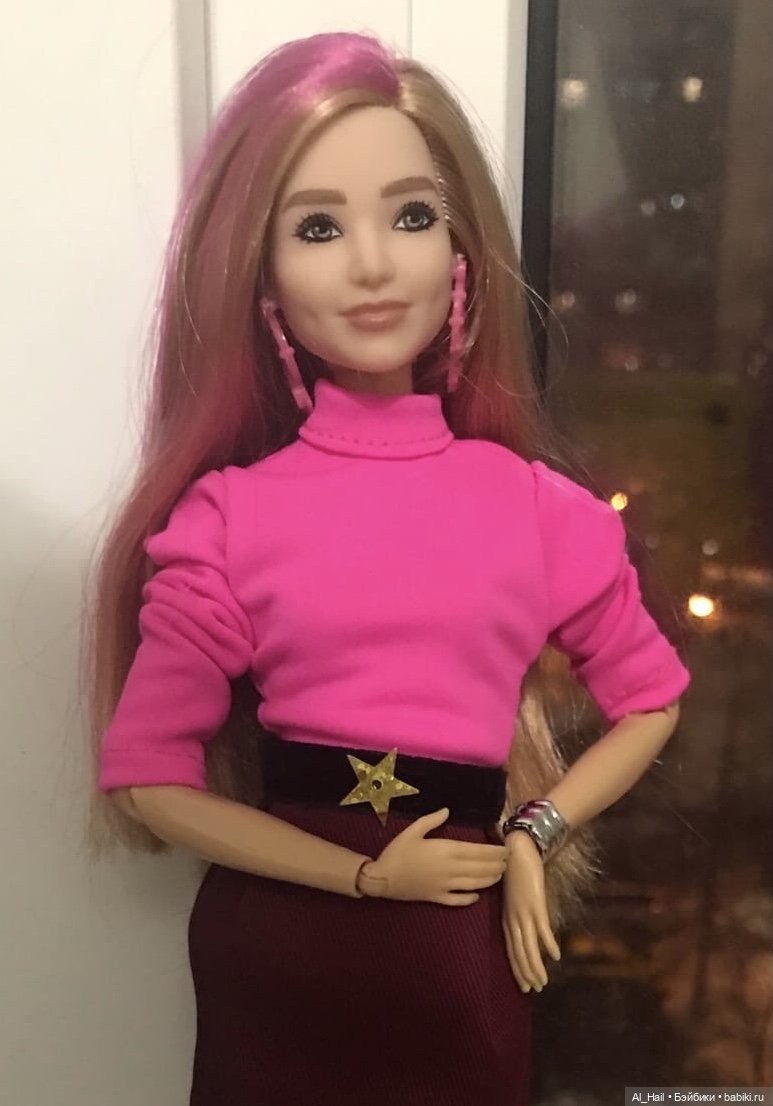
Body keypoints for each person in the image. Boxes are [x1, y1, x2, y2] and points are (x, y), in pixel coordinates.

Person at [84, 32, 690, 1106]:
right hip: (278, 941)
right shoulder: (228, 517)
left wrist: (533, 832)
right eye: (317, 227)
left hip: (453, 922)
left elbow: (650, 698)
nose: (371, 264)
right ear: (262, 274)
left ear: (460, 250)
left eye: (410, 215)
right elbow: (147, 776)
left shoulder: (533, 509)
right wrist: (364, 874)